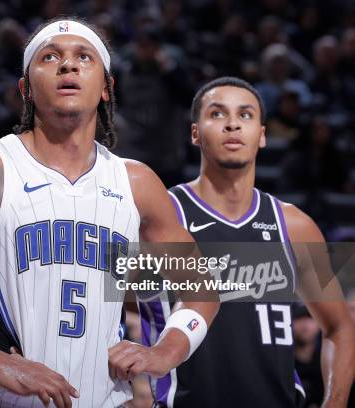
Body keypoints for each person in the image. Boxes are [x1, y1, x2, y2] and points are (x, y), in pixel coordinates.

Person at [0, 18, 219, 407]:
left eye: (84, 57)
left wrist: (166, 351)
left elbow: (202, 287)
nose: (68, 65)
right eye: (50, 57)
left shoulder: (136, 183)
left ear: (106, 88)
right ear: (26, 89)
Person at [138, 77, 355, 408]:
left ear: (263, 135)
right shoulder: (162, 218)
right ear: (195, 132)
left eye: (246, 115)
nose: (233, 124)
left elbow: (339, 328)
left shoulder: (295, 226)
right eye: (218, 114)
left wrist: (334, 403)